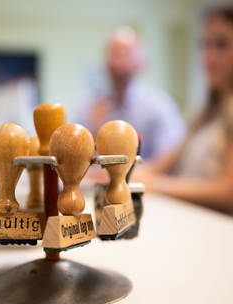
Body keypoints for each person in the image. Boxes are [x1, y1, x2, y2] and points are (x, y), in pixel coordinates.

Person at [133, 4, 233, 213]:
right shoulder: (204, 115)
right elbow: (161, 166)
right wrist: (117, 171)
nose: (209, 56)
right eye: (204, 44)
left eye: (221, 44)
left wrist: (159, 186)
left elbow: (228, 192)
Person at [80, 26, 185, 160]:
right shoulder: (89, 108)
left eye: (125, 53)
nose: (118, 61)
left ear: (142, 63)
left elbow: (170, 158)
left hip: (144, 180)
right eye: (113, 53)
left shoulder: (160, 107)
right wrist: (94, 133)